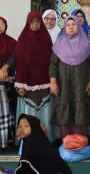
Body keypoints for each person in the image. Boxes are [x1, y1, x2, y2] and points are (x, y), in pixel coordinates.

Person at [49, 15, 90, 138]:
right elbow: (53, 65)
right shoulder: (58, 44)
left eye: (74, 24)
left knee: (80, 108)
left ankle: (80, 142)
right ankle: (67, 143)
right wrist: (53, 83)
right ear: (64, 27)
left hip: (81, 84)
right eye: (68, 25)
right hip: (64, 84)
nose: (71, 27)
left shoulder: (86, 45)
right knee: (65, 109)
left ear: (78, 26)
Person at [14, 11, 54, 142]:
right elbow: (19, 63)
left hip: (45, 82)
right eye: (32, 22)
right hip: (27, 83)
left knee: (45, 113)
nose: (35, 24)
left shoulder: (46, 38)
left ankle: (45, 141)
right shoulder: (23, 39)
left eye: (37, 22)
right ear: (28, 23)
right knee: (29, 113)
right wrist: (20, 85)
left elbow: (52, 61)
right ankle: (27, 141)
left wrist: (53, 81)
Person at [0, 17, 17, 149]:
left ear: (6, 26)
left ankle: (6, 142)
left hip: (6, 84)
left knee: (6, 112)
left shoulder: (12, 42)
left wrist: (5, 67)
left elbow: (15, 57)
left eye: (2, 24)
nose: (0, 26)